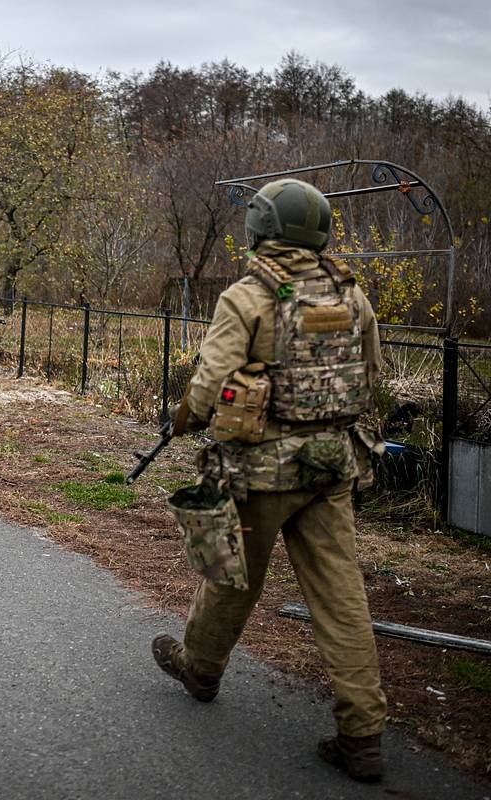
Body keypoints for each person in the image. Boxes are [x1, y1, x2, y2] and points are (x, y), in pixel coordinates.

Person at [150, 178, 387, 782]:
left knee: (231, 576)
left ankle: (200, 671)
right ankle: (362, 735)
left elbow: (208, 383)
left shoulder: (249, 295)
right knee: (342, 600)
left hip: (261, 471)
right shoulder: (351, 294)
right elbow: (373, 374)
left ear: (261, 231)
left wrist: (182, 419)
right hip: (333, 468)